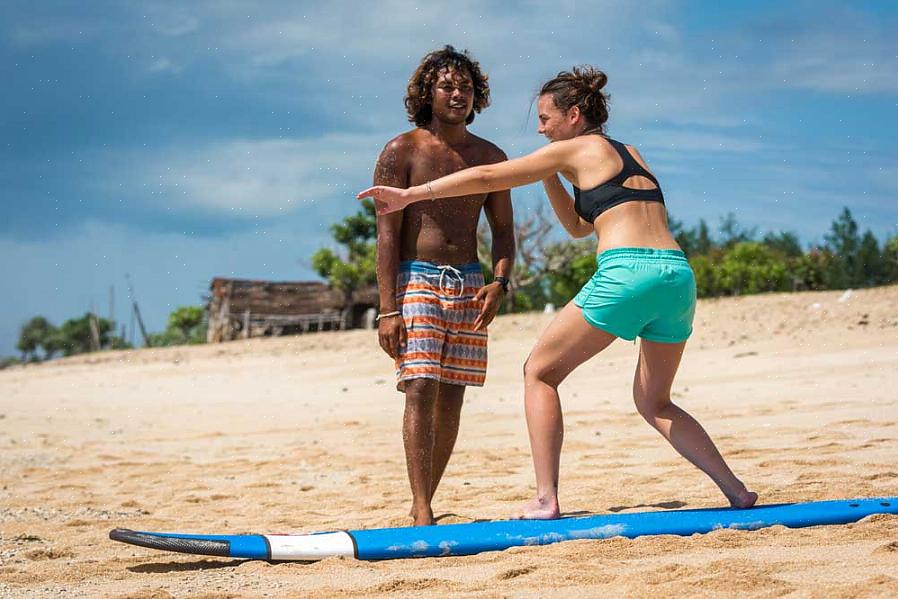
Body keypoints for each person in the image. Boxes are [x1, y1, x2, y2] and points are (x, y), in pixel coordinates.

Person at [359, 66, 757, 520]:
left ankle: (546, 497)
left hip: (627, 272)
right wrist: (548, 173)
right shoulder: (628, 152)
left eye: (546, 118)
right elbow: (578, 227)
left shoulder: (575, 147)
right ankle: (736, 490)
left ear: (573, 115)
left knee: (539, 373)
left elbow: (488, 177)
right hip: (677, 277)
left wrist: (414, 195)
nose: (540, 127)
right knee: (655, 401)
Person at [371, 46, 516, 526]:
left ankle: (425, 501)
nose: (458, 95)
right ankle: (421, 507)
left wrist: (499, 281)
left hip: (471, 283)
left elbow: (503, 233)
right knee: (420, 386)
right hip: (418, 279)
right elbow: (387, 239)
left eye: (466, 88)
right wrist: (387, 310)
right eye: (448, 87)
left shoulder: (490, 157)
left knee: (453, 391)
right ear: (427, 94)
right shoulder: (402, 151)